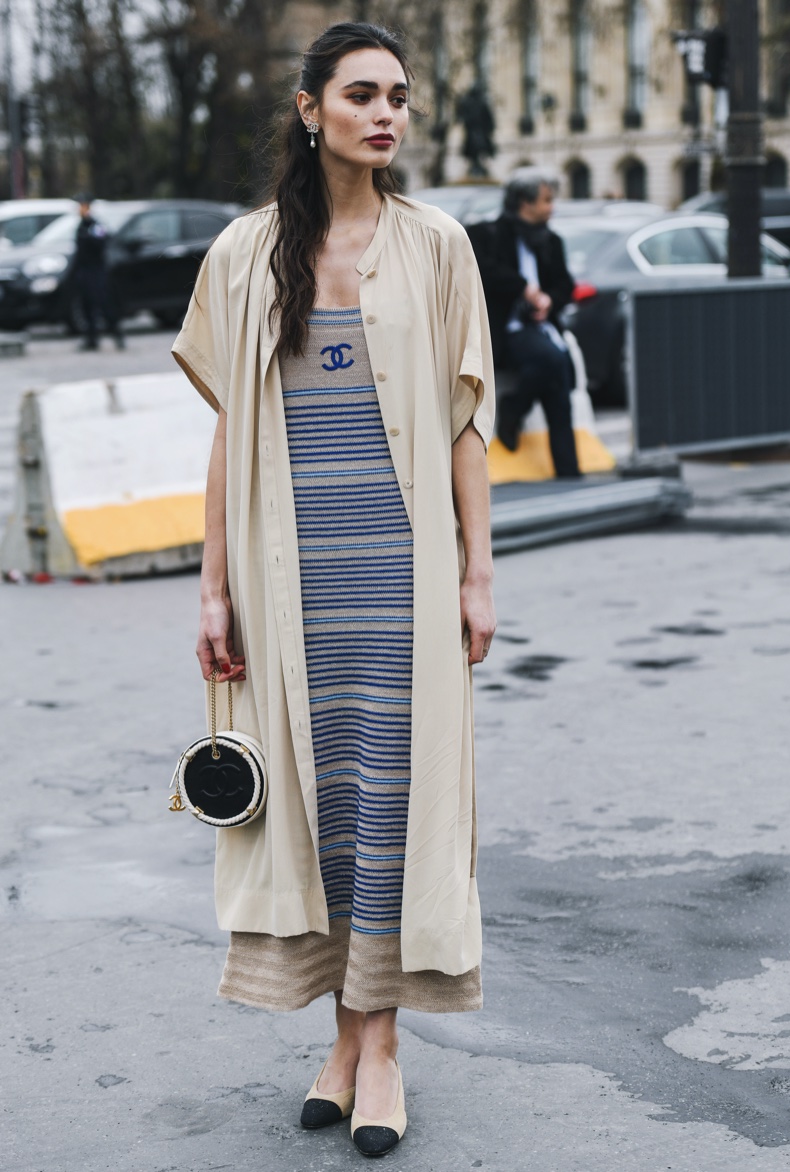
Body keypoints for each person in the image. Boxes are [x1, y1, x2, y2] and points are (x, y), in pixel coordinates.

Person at [172, 22, 495, 1159]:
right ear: (310, 110)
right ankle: (340, 1040)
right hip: (286, 581)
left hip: (400, 584)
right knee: (313, 817)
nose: (386, 114)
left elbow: (464, 428)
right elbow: (226, 440)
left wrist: (476, 572)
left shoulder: (439, 245)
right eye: (361, 94)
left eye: (398, 96)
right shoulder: (243, 253)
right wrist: (210, 591)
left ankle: (382, 1047)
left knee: (389, 815)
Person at [467, 169, 581, 477]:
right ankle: (569, 472)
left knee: (557, 376)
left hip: (539, 329)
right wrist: (525, 289)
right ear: (523, 202)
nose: (551, 207)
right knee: (556, 364)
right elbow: (483, 270)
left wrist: (547, 303)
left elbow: (565, 285)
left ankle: (518, 412)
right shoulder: (487, 234)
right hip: (505, 330)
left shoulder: (551, 241)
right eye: (546, 200)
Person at [72, 194, 124, 351]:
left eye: (82, 206)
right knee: (87, 307)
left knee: (103, 305)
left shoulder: (95, 225)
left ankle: (117, 335)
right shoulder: (81, 226)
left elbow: (102, 242)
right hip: (85, 271)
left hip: (97, 271)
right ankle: (91, 340)